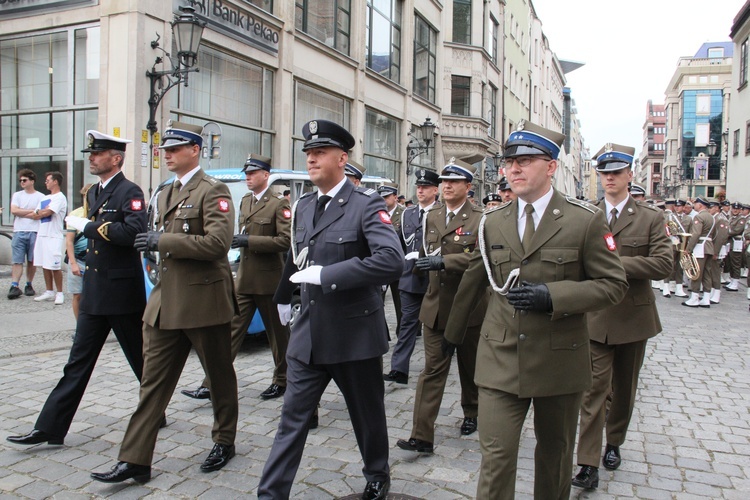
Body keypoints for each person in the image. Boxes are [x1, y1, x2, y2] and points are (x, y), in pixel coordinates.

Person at [442, 121, 628, 499]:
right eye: (510, 162)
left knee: (555, 456)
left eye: (526, 161)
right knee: (495, 456)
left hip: (559, 359)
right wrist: (451, 337)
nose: (514, 169)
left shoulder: (584, 220)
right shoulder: (492, 222)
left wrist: (553, 296)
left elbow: (614, 285)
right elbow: (474, 282)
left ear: (551, 166)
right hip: (501, 357)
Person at [258, 119, 403, 500]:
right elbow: (298, 258)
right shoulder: (304, 207)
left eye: (319, 152)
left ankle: (377, 473)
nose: (311, 159)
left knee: (367, 416)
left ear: (342, 158)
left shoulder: (366, 205)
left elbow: (392, 261)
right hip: (309, 336)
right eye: (308, 153)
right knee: (292, 421)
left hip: (354, 335)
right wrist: (284, 297)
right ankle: (271, 494)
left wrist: (330, 275)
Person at [90, 121, 238, 483]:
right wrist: (152, 250)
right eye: (164, 150)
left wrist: (162, 242)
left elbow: (218, 245)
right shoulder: (165, 192)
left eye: (175, 149)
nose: (167, 155)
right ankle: (135, 460)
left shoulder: (213, 190)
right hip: (164, 302)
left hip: (204, 301)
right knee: (151, 384)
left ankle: (225, 439)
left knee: (218, 377)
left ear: (195, 150)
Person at [7, 131, 148, 447]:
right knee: (76, 363)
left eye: (98, 154)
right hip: (96, 292)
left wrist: (89, 227)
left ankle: (154, 410)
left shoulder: (130, 191)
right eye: (91, 154)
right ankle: (50, 428)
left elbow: (135, 232)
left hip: (122, 294)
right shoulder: (95, 192)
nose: (92, 158)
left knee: (142, 361)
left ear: (116, 158)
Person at [572, 143, 672, 490]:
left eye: (616, 173)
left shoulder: (650, 218)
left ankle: (614, 442)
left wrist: (614, 265)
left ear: (630, 175)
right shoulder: (588, 215)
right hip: (596, 317)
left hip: (633, 317)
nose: (609, 179)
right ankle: (587, 462)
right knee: (593, 389)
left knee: (624, 389)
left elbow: (663, 264)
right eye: (604, 173)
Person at [181, 153, 291, 402]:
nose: (248, 178)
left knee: (279, 337)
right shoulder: (245, 201)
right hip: (244, 280)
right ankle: (212, 385)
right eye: (247, 173)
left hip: (269, 282)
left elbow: (285, 241)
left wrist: (249, 240)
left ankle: (283, 380)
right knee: (230, 333)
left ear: (266, 175)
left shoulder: (278, 204)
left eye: (253, 173)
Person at [396, 158, 487, 453]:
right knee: (432, 371)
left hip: (471, 308)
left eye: (454, 181)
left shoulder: (481, 219)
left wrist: (445, 261)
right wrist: (416, 264)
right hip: (435, 307)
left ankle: (472, 411)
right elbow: (424, 249)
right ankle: (421, 435)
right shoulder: (432, 215)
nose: (446, 186)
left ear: (468, 187)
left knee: (470, 368)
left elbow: (481, 259)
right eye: (444, 181)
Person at [384, 168, 440, 385]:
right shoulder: (408, 213)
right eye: (418, 187)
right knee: (407, 324)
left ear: (435, 189)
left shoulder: (442, 212)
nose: (420, 191)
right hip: (410, 277)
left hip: (434, 277)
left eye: (425, 187)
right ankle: (399, 369)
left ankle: (435, 369)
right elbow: (398, 242)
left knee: (435, 327)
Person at [28, 172, 67, 305]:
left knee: (54, 266)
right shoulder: (45, 198)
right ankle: (49, 290)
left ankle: (60, 292)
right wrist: (40, 212)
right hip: (42, 234)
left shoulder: (60, 198)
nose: (46, 182)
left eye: (48, 180)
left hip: (54, 235)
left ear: (55, 181)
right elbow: (35, 214)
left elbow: (49, 212)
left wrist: (40, 212)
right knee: (45, 264)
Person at [8, 169, 45, 299]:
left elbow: (39, 214)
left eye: (24, 180)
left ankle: (29, 284)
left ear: (32, 181)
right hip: (19, 231)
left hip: (34, 231)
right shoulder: (17, 195)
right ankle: (14, 285)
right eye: (20, 180)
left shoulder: (41, 196)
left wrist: (23, 212)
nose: (22, 182)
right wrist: (31, 211)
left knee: (31, 260)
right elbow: (14, 210)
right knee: (17, 260)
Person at [64, 184, 93, 320]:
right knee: (78, 295)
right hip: (79, 260)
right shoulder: (75, 214)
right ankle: (79, 326)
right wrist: (73, 263)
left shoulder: (101, 213)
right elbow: (69, 241)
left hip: (96, 261)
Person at [379, 181, 404, 338]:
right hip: (380, 264)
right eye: (381, 197)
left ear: (395, 197)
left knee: (400, 301)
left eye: (387, 197)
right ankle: (382, 333)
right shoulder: (376, 212)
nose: (383, 200)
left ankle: (403, 332)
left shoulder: (404, 214)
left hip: (398, 264)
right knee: (376, 300)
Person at [682, 197, 715, 308]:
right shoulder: (712, 217)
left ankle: (694, 297)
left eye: (695, 203)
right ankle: (706, 298)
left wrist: (688, 249)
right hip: (709, 246)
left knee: (696, 272)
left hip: (700, 247)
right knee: (707, 273)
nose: (694, 205)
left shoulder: (699, 217)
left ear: (700, 205)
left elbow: (695, 234)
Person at [706, 200, 729, 304]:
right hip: (713, 247)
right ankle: (712, 291)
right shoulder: (715, 218)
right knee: (711, 271)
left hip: (717, 248)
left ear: (716, 208)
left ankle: (716, 293)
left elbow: (720, 237)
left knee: (715, 272)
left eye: (710, 208)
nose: (709, 210)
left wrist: (715, 252)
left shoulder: (720, 219)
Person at [724, 201, 747, 291]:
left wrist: (725, 233)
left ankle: (736, 282)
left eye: (737, 209)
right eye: (734, 208)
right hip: (730, 243)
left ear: (740, 210)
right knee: (729, 263)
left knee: (736, 264)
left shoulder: (741, 219)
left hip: (736, 243)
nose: (735, 210)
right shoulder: (731, 218)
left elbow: (736, 231)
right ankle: (732, 280)